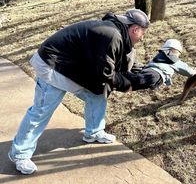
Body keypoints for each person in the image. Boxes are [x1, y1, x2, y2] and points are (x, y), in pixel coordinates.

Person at [8, 9, 150, 175]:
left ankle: (93, 132)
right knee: (41, 111)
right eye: (143, 34)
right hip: (52, 64)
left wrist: (144, 71)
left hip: (70, 66)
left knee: (97, 93)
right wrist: (133, 84)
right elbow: (106, 74)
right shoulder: (112, 35)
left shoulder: (116, 33)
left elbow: (116, 64)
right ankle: (20, 154)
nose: (142, 38)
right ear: (135, 29)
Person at [124, 39, 196, 91]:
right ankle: (120, 77)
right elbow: (187, 71)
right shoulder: (174, 60)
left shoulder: (159, 56)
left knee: (136, 80)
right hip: (155, 75)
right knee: (135, 81)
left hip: (148, 70)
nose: (178, 56)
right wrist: (195, 72)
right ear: (173, 51)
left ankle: (124, 72)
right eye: (178, 53)